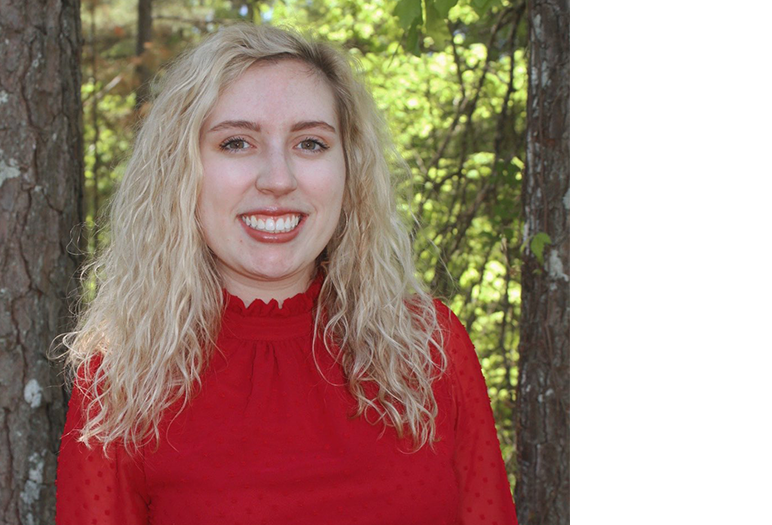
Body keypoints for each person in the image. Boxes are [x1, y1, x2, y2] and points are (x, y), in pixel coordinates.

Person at [55, 24, 517, 525]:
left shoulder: (431, 348)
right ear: (181, 170)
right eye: (236, 142)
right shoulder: (122, 380)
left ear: (350, 168)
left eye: (311, 143)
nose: (278, 179)